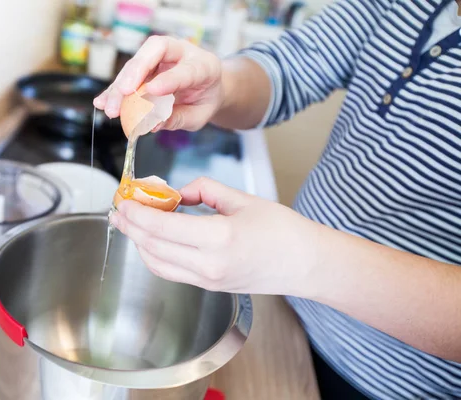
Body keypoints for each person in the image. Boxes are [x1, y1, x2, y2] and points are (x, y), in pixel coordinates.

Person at [94, 1, 461, 399]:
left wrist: (304, 258)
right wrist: (222, 84)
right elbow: (290, 66)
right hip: (290, 315)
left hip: (395, 383)